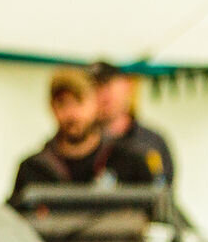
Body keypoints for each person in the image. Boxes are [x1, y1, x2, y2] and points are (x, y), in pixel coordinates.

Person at [10, 68, 155, 203]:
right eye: (62, 103)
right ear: (51, 107)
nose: (72, 113)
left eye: (79, 101)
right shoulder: (34, 169)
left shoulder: (129, 161)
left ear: (96, 103)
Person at [91, 61, 175, 187]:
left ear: (129, 84)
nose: (102, 92)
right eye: (95, 86)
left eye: (108, 83)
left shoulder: (151, 141)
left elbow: (163, 191)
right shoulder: (78, 145)